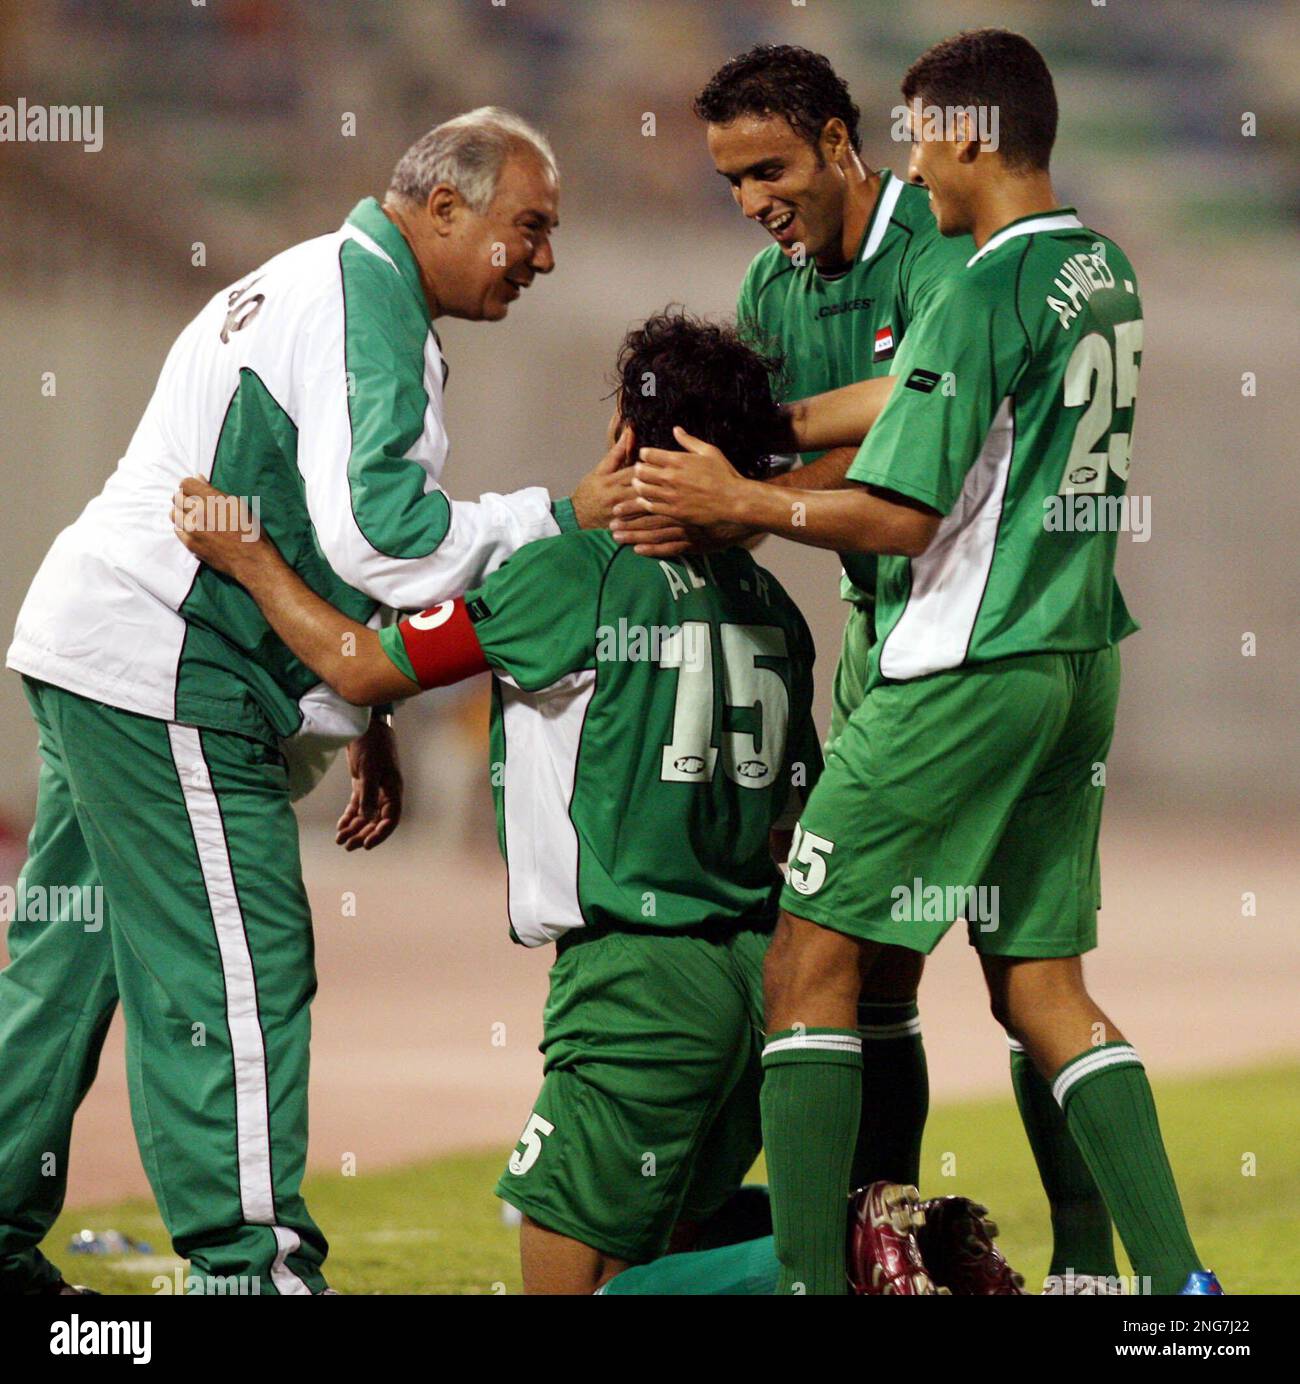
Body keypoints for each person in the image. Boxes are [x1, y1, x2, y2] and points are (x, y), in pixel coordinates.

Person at [629, 29, 1220, 1297]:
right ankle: (1141, 1287)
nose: (751, 201)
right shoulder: (1097, 265)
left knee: (810, 958)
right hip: (1052, 648)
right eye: (730, 180)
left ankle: (812, 1278)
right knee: (1030, 980)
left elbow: (906, 477)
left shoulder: (963, 271)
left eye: (770, 168)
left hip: (954, 643)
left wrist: (750, 491)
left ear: (941, 139)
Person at [0, 106, 628, 1295]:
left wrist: (366, 714)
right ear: (445, 207)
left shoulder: (318, 279)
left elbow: (309, 520)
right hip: (170, 668)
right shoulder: (363, 303)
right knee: (241, 965)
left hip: (106, 647)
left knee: (66, 967)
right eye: (529, 226)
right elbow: (385, 537)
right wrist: (557, 516)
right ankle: (251, 1268)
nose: (543, 257)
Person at [171, 309, 824, 1294]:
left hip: (637, 985)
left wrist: (250, 557)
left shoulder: (573, 574)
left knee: (565, 1278)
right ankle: (831, 1254)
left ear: (626, 438)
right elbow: (782, 813)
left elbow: (357, 665)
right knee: (657, 1259)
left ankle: (850, 1262)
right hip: (752, 976)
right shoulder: (773, 606)